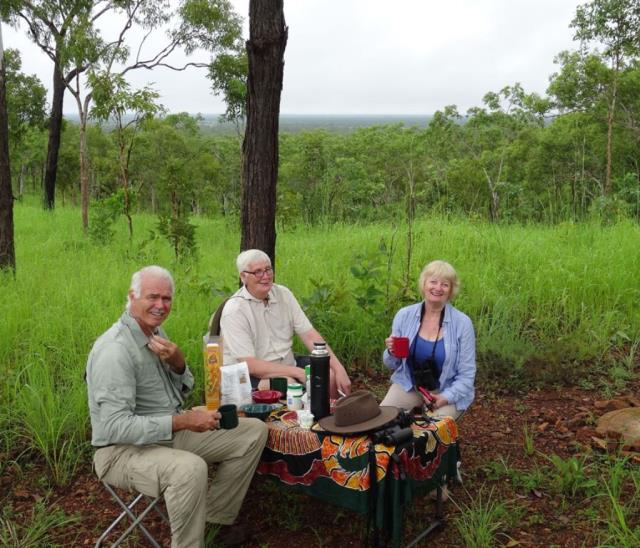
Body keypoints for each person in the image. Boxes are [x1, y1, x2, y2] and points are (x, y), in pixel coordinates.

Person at [86, 265, 268, 548]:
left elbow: (181, 391)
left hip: (164, 436)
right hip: (120, 451)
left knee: (252, 431)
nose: (160, 306)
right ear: (132, 296)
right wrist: (182, 421)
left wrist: (178, 363)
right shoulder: (115, 351)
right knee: (189, 468)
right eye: (152, 297)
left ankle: (214, 522)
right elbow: (114, 427)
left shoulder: (154, 333)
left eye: (166, 299)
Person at [220, 249, 351, 398]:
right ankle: (302, 419)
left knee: (328, 373)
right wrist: (298, 373)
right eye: (258, 272)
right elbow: (250, 364)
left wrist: (339, 368)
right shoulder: (235, 310)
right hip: (248, 376)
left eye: (268, 270)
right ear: (243, 276)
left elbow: (309, 335)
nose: (265, 276)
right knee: (288, 384)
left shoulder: (283, 294)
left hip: (287, 363)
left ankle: (328, 418)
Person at [381, 260, 476, 420]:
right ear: (424, 284)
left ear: (451, 290)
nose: (438, 288)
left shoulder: (462, 323)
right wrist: (391, 351)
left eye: (445, 284)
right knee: (383, 419)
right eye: (433, 282)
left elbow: (467, 375)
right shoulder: (404, 315)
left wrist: (445, 397)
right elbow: (392, 364)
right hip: (410, 385)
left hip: (447, 390)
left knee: (431, 430)